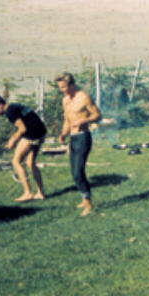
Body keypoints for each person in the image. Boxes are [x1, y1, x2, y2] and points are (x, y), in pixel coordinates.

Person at [56, 72, 102, 216]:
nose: (61, 89)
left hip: (83, 137)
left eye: (63, 87)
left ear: (71, 85)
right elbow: (67, 120)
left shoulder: (83, 97)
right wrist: (63, 133)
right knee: (74, 173)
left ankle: (88, 205)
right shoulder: (65, 100)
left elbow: (98, 115)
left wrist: (84, 121)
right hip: (73, 138)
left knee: (78, 172)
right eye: (59, 87)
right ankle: (84, 198)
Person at [0, 95, 46, 202]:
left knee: (16, 161)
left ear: (0, 105)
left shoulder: (9, 111)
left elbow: (22, 129)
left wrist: (13, 140)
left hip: (32, 134)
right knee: (30, 163)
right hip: (40, 131)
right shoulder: (15, 106)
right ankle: (40, 193)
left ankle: (28, 193)